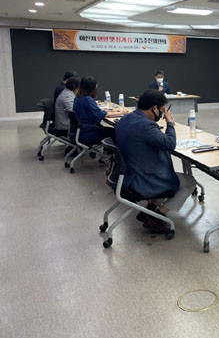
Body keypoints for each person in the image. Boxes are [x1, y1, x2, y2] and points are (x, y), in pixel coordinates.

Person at [115, 90, 197, 233]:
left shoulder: (126, 119)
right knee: (189, 182)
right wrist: (169, 122)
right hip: (141, 179)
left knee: (164, 168)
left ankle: (151, 208)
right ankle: (157, 216)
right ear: (154, 108)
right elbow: (169, 144)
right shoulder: (146, 126)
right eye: (162, 110)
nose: (162, 113)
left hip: (127, 175)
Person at [73, 76, 118, 144]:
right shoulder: (87, 100)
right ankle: (109, 150)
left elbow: (96, 112)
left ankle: (106, 150)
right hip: (88, 133)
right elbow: (101, 115)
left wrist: (113, 111)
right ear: (92, 88)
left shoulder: (78, 98)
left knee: (108, 130)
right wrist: (121, 112)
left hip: (80, 131)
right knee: (115, 132)